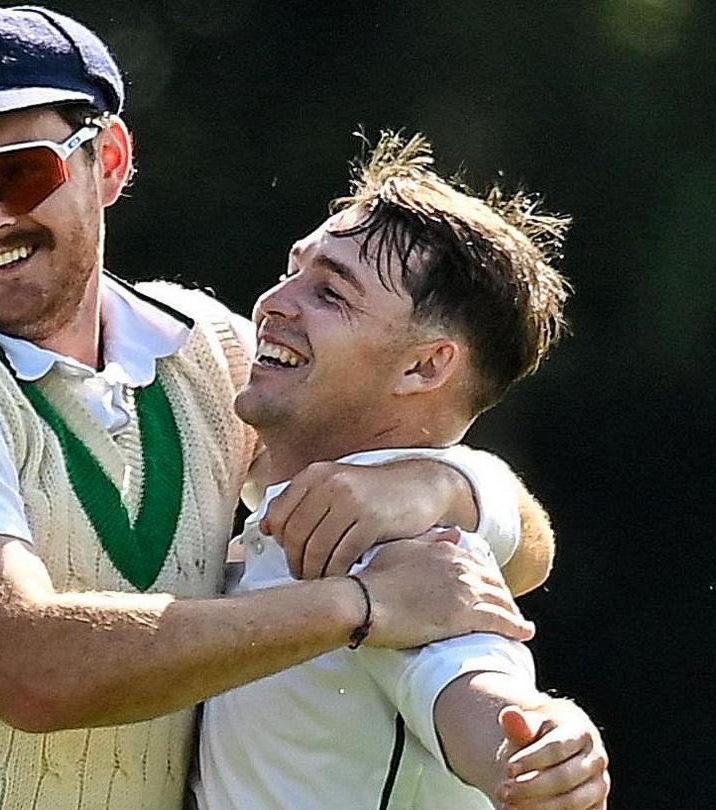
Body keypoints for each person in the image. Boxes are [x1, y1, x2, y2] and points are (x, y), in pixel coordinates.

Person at [0, 7, 557, 809]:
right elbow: (29, 669)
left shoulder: (207, 351)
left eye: (22, 171)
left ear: (111, 160)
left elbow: (523, 555)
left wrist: (442, 490)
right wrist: (361, 607)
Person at [196, 132, 610, 809]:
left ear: (425, 367)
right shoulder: (288, 492)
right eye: (294, 268)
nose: (274, 301)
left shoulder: (397, 547)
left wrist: (537, 746)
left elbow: (477, 688)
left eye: (330, 293)